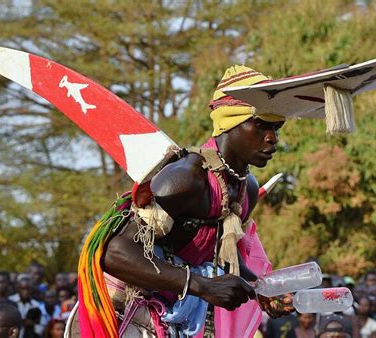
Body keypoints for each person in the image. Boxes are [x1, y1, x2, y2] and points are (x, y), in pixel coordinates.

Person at [75, 65, 293, 337]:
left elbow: (222, 249)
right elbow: (114, 253)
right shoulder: (186, 177)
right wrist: (202, 285)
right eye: (261, 125)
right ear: (230, 123)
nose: (273, 138)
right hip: (128, 314)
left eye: (276, 127)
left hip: (177, 314)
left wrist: (261, 289)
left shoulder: (246, 188)